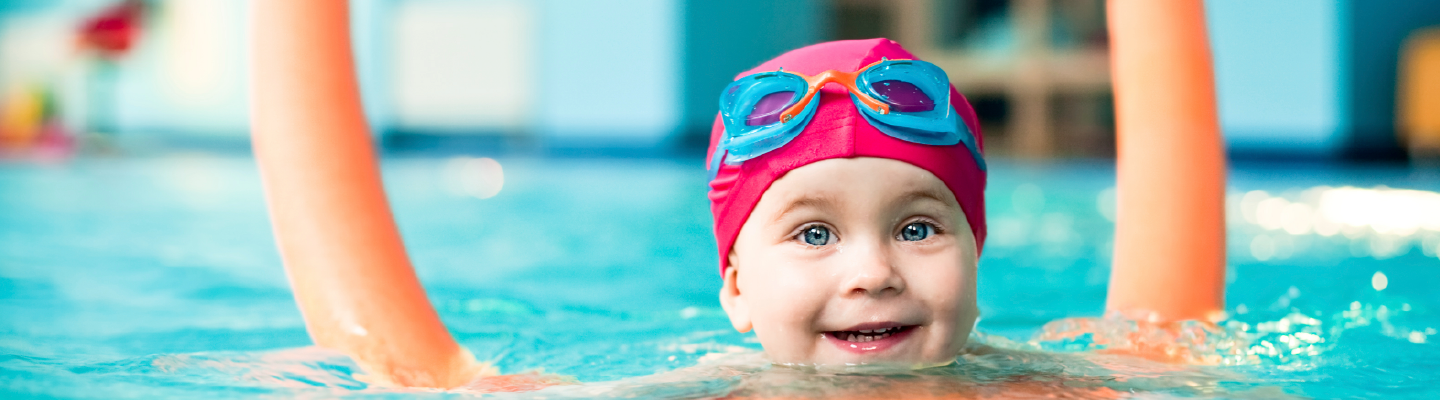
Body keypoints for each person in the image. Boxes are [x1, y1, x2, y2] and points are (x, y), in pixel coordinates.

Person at [251, 0, 1225, 390]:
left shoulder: (1042, 387)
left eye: (920, 225)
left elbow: (1173, 346)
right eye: (812, 233)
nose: (873, 271)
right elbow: (438, 381)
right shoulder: (716, 392)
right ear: (734, 289)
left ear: (978, 255)